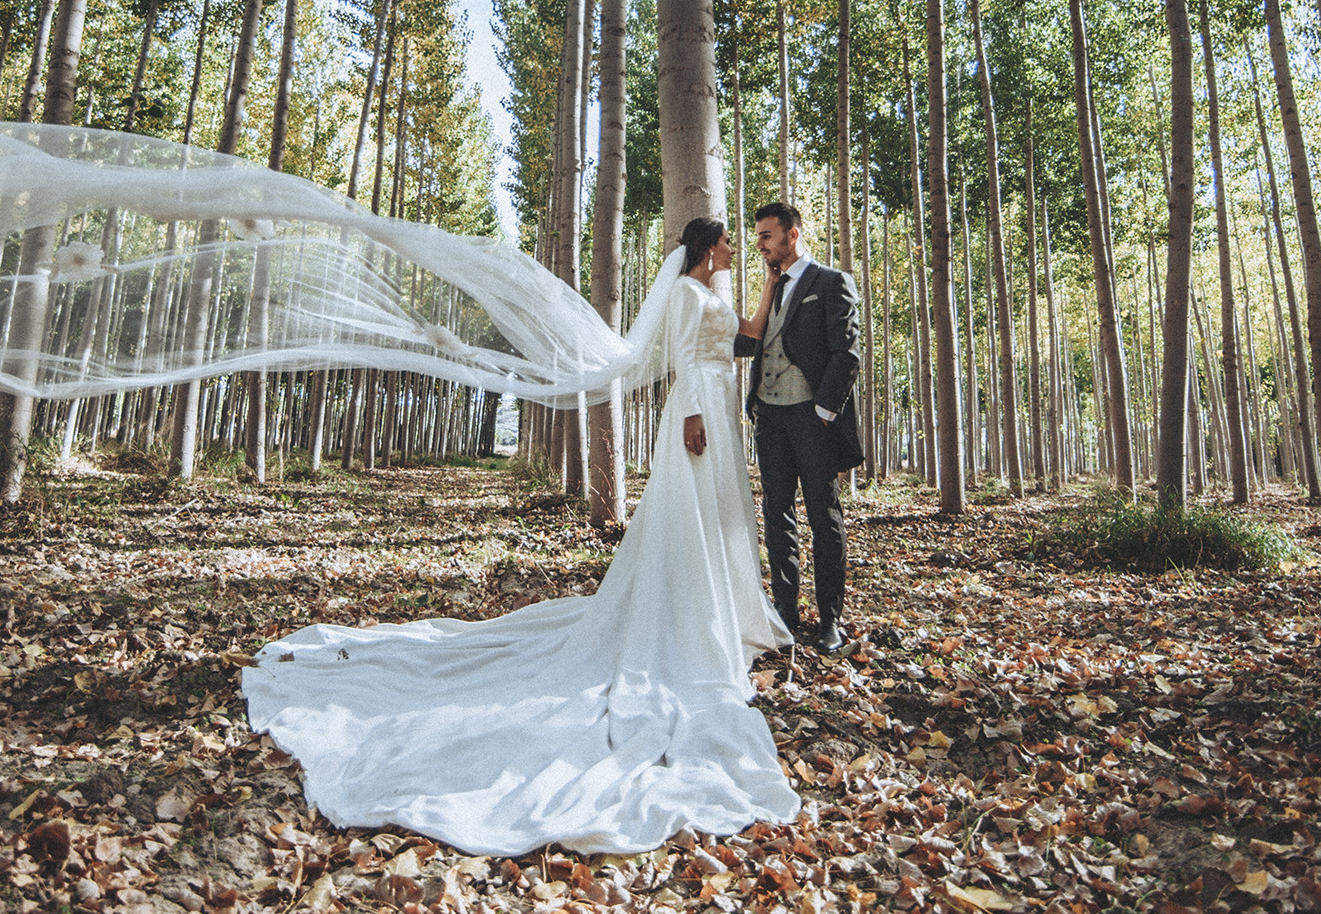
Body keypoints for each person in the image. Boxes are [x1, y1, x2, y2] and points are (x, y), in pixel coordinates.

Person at [241, 218, 800, 855]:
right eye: (728, 241)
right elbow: (678, 357)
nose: (735, 249)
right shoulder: (682, 294)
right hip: (699, 403)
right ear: (706, 246)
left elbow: (747, 337)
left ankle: (726, 607)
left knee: (724, 511)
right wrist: (694, 413)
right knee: (692, 513)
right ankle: (691, 614)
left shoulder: (718, 293)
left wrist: (771, 287)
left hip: (724, 402)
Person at [736, 202, 864, 654]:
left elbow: (846, 354)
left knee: (823, 517)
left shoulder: (830, 282)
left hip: (812, 417)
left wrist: (823, 413)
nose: (760, 245)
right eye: (757, 238)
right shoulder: (771, 285)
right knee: (776, 514)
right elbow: (757, 342)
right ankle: (786, 614)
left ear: (793, 234)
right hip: (769, 417)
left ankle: (830, 618)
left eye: (767, 236)